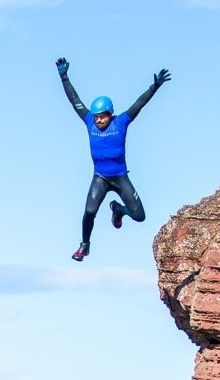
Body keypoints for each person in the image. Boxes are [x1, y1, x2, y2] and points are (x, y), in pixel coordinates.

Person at [55, 57, 171, 261]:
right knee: (89, 212)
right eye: (97, 116)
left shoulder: (121, 122)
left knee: (139, 216)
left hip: (119, 177)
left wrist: (154, 87)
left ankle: (118, 210)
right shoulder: (88, 120)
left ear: (110, 114)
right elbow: (74, 100)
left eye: (102, 116)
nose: (98, 119)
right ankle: (85, 245)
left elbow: (139, 104)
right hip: (100, 177)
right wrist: (64, 76)